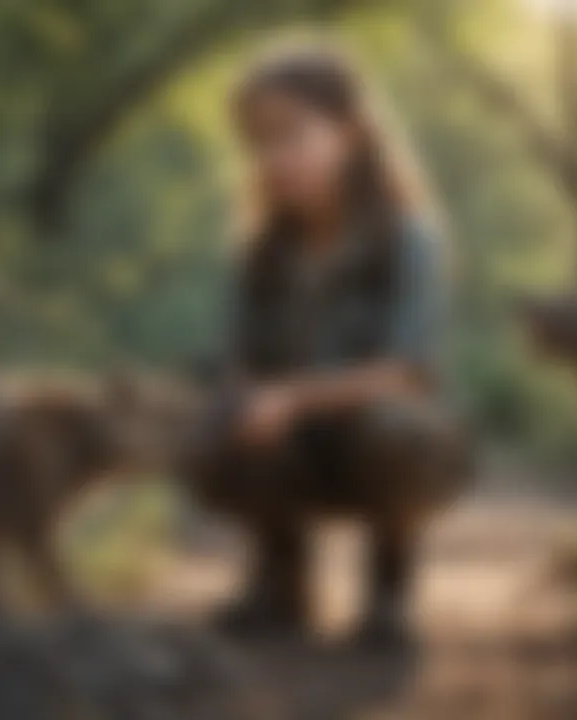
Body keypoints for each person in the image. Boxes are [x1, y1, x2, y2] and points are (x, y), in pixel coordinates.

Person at [190, 42, 471, 648]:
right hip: (291, 449)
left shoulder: (409, 239)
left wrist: (289, 397)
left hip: (385, 450)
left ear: (350, 134)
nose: (273, 157)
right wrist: (235, 399)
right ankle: (279, 583)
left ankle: (388, 595)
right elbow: (241, 362)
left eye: (291, 135)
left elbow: (409, 372)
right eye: (258, 142)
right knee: (218, 413)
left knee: (395, 423)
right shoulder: (260, 251)